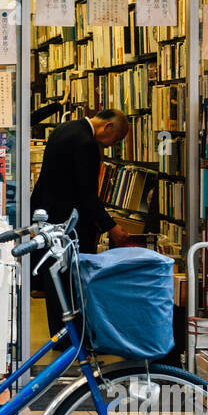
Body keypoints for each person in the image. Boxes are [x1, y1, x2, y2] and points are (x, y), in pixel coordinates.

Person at [29, 108, 135, 334]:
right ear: (108, 126)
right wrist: (111, 226)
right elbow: (86, 194)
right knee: (71, 280)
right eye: (113, 141)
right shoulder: (85, 142)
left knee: (56, 278)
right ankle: (73, 338)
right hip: (69, 223)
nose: (108, 147)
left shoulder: (64, 128)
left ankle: (61, 334)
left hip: (49, 215)